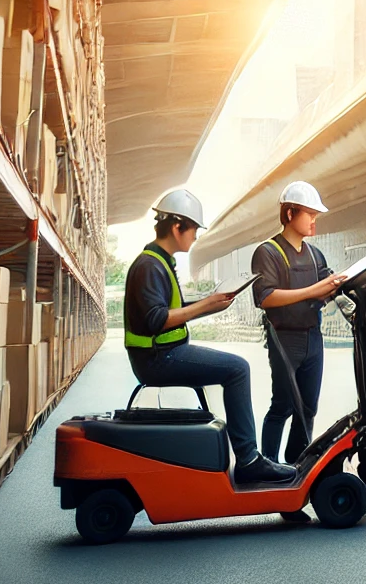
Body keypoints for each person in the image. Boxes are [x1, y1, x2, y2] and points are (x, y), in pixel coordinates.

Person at [124, 188, 295, 485]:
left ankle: (243, 454)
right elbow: (156, 320)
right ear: (177, 227)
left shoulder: (158, 262)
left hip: (162, 354)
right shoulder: (149, 266)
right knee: (237, 369)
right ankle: (249, 460)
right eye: (193, 231)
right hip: (156, 359)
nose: (194, 237)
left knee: (232, 368)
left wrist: (212, 303)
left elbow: (172, 312)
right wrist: (206, 303)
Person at [252, 181, 345, 476]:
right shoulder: (268, 252)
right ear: (290, 213)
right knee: (282, 405)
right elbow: (266, 298)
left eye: (316, 214)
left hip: (312, 338)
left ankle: (296, 470)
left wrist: (338, 287)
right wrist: (312, 290)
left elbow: (328, 287)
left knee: (307, 410)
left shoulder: (316, 255)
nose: (314, 220)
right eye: (309, 213)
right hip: (284, 339)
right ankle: (266, 466)